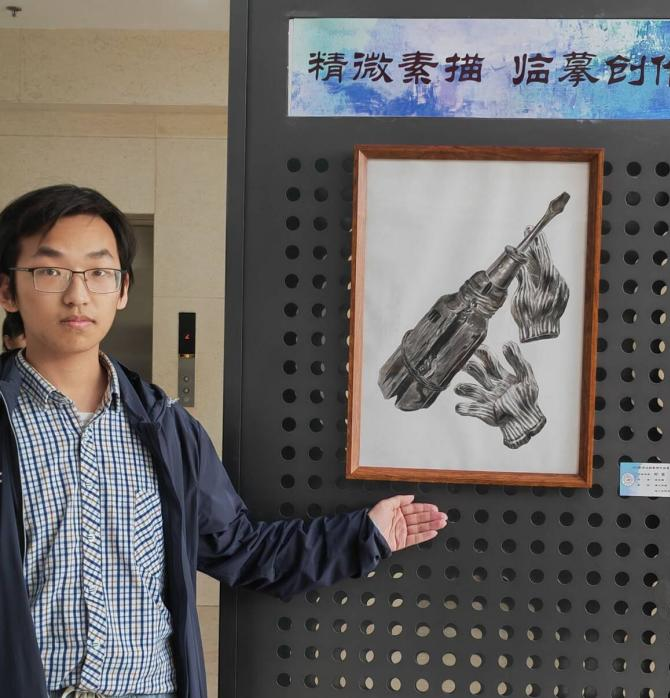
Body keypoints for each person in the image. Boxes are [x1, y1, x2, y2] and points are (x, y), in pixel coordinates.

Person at [0, 184, 447, 698]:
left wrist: (365, 535)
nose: (78, 294)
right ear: (8, 291)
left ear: (122, 290)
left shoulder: (167, 429)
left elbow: (241, 549)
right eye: (50, 271)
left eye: (99, 272)